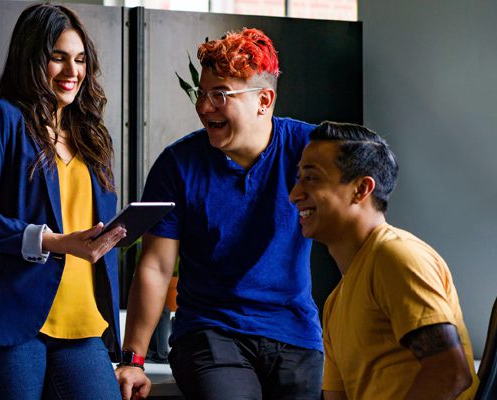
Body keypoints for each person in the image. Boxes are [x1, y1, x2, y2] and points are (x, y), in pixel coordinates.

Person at [0, 3, 126, 400]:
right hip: (3, 317)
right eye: (58, 58)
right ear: (32, 59)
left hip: (82, 322)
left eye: (80, 60)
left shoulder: (92, 140)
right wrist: (52, 241)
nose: (73, 72)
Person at [117, 28, 323, 400]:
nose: (203, 107)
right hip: (210, 332)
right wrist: (133, 359)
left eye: (220, 95)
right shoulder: (178, 165)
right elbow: (156, 267)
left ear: (264, 100)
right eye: (202, 93)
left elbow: (365, 190)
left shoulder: (309, 149)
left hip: (294, 335)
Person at [289, 121, 478, 399]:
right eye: (298, 179)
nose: (295, 194)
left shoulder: (396, 257)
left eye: (312, 178)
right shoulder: (335, 303)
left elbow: (450, 373)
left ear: (361, 189)